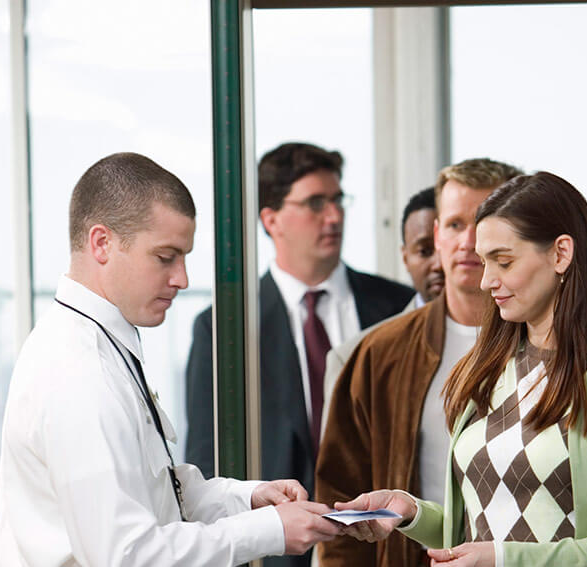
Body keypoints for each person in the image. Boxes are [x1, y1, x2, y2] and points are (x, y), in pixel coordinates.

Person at [0, 153, 341, 566]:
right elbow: (129, 556)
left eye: (184, 257)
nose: (183, 279)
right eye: (165, 257)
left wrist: (248, 498)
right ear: (102, 243)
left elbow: (150, 490)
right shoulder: (78, 371)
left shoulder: (100, 345)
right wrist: (269, 531)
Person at [337, 172, 587, 566]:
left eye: (503, 261)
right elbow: (486, 524)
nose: (487, 281)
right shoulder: (487, 369)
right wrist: (411, 513)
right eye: (485, 263)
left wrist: (504, 559)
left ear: (561, 254)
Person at [185, 143, 413, 566]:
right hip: (275, 556)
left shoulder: (398, 307)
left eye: (337, 199)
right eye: (315, 203)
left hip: (387, 548)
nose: (334, 215)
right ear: (271, 220)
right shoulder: (224, 328)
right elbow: (205, 460)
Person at [315, 158, 522, 567]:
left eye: (483, 223)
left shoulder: (560, 351)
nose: (467, 242)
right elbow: (340, 502)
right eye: (454, 224)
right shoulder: (379, 354)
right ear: (437, 235)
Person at [320, 185, 444, 426]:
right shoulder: (354, 359)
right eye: (425, 250)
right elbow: (341, 462)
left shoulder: (518, 337)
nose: (439, 263)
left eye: (445, 248)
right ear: (405, 257)